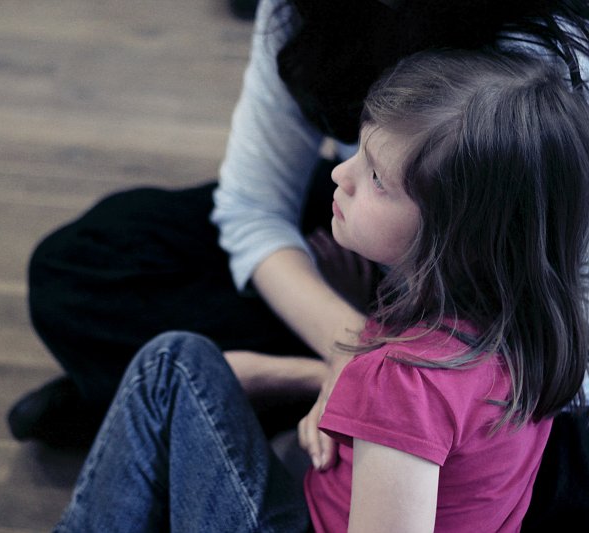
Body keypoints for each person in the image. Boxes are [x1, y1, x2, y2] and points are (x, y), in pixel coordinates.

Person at [53, 49, 589, 532]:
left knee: (172, 363)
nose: (340, 174)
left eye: (376, 178)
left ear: (458, 237)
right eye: (359, 151)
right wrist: (318, 370)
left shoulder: (406, 382)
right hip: (327, 494)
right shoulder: (528, 333)